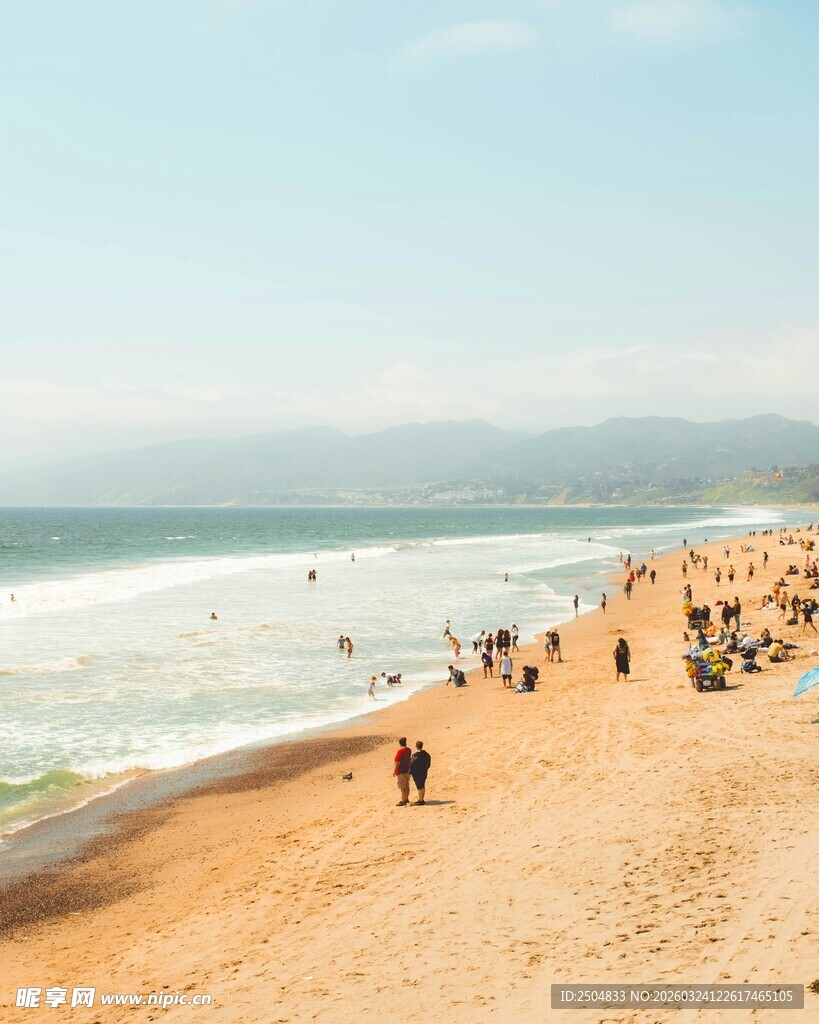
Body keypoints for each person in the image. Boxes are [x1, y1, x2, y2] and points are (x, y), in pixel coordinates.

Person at [409, 741, 431, 805]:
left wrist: (410, 771)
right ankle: (421, 799)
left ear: (416, 747)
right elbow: (428, 764)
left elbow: (411, 764)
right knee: (422, 785)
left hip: (418, 772)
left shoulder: (416, 755)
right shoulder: (426, 754)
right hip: (424, 772)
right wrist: (426, 768)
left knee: (419, 786)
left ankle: (420, 800)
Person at [394, 738, 412, 806]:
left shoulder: (400, 751)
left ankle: (403, 800)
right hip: (407, 769)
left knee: (402, 787)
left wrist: (394, 770)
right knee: (407, 785)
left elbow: (398, 762)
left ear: (400, 743)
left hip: (401, 770)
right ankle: (406, 799)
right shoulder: (409, 750)